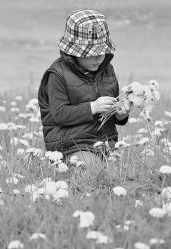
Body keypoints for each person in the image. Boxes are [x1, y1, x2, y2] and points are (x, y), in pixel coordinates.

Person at [38, 9, 130, 173]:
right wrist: (92, 107)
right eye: (91, 54)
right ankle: (68, 167)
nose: (98, 57)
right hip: (71, 144)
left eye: (102, 52)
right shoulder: (57, 75)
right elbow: (59, 114)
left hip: (105, 142)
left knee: (123, 174)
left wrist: (120, 114)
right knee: (95, 171)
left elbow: (110, 110)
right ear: (73, 52)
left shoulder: (107, 70)